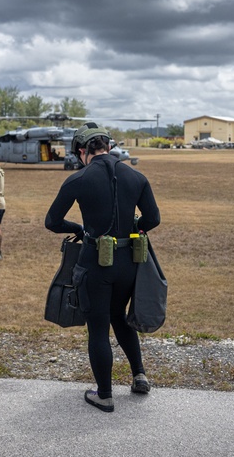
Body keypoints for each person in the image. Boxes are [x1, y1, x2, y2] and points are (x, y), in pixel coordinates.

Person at [44, 123, 160, 413]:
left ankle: (104, 394)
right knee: (120, 317)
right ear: (108, 146)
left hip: (95, 262)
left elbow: (52, 222)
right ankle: (139, 376)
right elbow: (153, 219)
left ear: (82, 151)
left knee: (98, 327)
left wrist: (79, 229)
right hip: (128, 263)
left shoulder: (78, 179)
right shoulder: (136, 176)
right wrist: (136, 227)